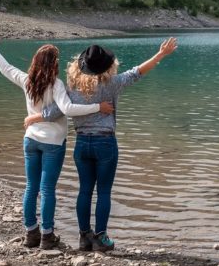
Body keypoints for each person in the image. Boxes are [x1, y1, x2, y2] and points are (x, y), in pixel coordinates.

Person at [25, 37, 178, 251]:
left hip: (81, 145)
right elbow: (138, 72)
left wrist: (35, 117)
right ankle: (101, 238)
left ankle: (83, 237)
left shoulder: (72, 85)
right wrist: (161, 54)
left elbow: (58, 110)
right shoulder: (112, 84)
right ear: (108, 65)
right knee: (104, 191)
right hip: (105, 142)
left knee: (84, 190)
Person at [0, 33, 113, 249]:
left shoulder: (27, 81)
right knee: (48, 189)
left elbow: (5, 68)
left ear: (35, 61)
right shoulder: (57, 84)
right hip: (53, 143)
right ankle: (47, 235)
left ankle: (30, 233)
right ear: (54, 64)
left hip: (30, 140)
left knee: (31, 187)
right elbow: (68, 109)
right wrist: (99, 107)